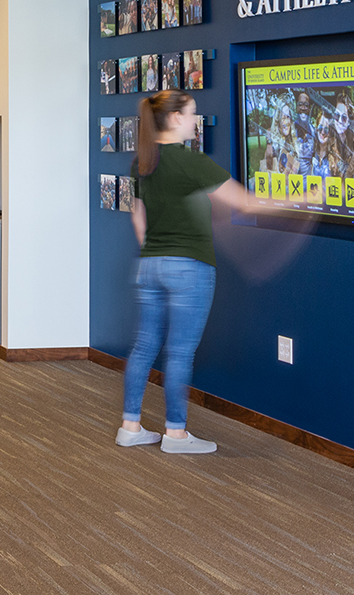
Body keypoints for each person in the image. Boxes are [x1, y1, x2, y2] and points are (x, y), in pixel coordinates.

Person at [117, 90, 262, 454]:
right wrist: (305, 198)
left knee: (145, 345)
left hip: (149, 265)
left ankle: (130, 426)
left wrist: (155, 250)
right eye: (193, 113)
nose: (197, 121)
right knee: (180, 353)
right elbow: (245, 201)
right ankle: (175, 434)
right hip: (189, 267)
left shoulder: (142, 162)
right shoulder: (191, 163)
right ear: (176, 118)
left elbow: (138, 217)